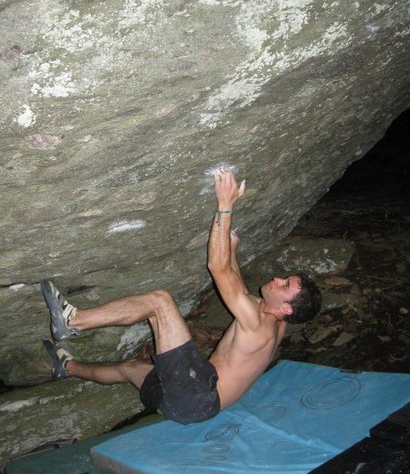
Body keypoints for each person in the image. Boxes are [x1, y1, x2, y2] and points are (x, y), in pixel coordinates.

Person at [42, 167, 321, 425]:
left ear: (285, 308)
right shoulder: (277, 321)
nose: (277, 279)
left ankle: (74, 321)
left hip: (197, 393)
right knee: (129, 368)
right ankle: (68, 367)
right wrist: (232, 250)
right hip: (189, 405)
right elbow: (240, 291)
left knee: (159, 302)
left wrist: (225, 206)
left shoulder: (258, 323)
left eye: (284, 285)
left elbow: (217, 267)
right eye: (286, 278)